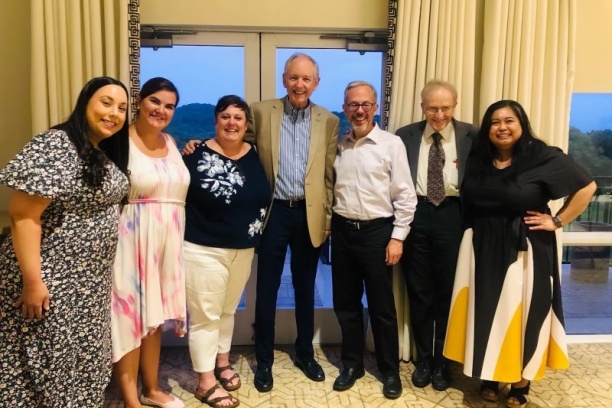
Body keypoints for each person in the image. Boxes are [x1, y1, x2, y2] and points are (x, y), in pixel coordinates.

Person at [443, 100, 596, 408]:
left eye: (509, 120)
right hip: (483, 247)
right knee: (488, 312)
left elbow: (587, 187)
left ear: (521, 124)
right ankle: (490, 374)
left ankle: (521, 381)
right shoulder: (479, 158)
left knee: (523, 313)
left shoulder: (542, 156)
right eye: (495, 122)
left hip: (526, 248)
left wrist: (557, 220)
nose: (502, 127)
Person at [0, 76, 130, 406]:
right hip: (52, 279)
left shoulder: (97, 150)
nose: (114, 113)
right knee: (48, 362)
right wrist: (33, 282)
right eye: (106, 103)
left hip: (88, 283)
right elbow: (23, 216)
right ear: (85, 102)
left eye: (121, 108)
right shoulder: (56, 145)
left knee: (81, 360)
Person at [250, 53, 339, 392]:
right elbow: (238, 149)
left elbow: (328, 175)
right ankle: (264, 361)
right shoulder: (261, 112)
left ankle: (305, 353)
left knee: (305, 287)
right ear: (284, 79)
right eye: (293, 77)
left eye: (306, 79)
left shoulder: (328, 120)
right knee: (267, 288)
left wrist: (327, 218)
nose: (299, 84)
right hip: (273, 213)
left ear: (316, 83)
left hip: (308, 214)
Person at [104, 77, 189, 408]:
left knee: (154, 319)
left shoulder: (171, 142)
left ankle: (152, 389)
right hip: (131, 241)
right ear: (140, 101)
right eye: (155, 101)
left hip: (168, 242)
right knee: (129, 318)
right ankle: (131, 400)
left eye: (169, 106)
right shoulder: (118, 142)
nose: (161, 110)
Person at [182, 95, 271, 408]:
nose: (231, 123)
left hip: (243, 248)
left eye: (238, 117)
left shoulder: (256, 154)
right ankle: (205, 381)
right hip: (202, 248)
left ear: (246, 125)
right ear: (216, 120)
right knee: (205, 317)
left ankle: (222, 362)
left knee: (227, 311)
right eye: (225, 116)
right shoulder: (195, 153)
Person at [331, 81, 417, 399]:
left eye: (366, 104)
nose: (360, 110)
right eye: (353, 104)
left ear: (375, 108)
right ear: (345, 108)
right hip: (342, 232)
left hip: (377, 234)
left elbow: (405, 196)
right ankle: (352, 365)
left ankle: (389, 371)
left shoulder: (391, 144)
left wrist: (397, 238)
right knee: (346, 305)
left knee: (382, 308)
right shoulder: (339, 146)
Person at [395, 80, 478, 391]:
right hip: (415, 214)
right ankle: (424, 359)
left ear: (455, 106)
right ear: (422, 107)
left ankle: (443, 360)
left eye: (445, 108)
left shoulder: (473, 135)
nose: (439, 115)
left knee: (448, 291)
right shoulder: (404, 135)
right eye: (432, 108)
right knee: (419, 292)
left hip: (454, 216)